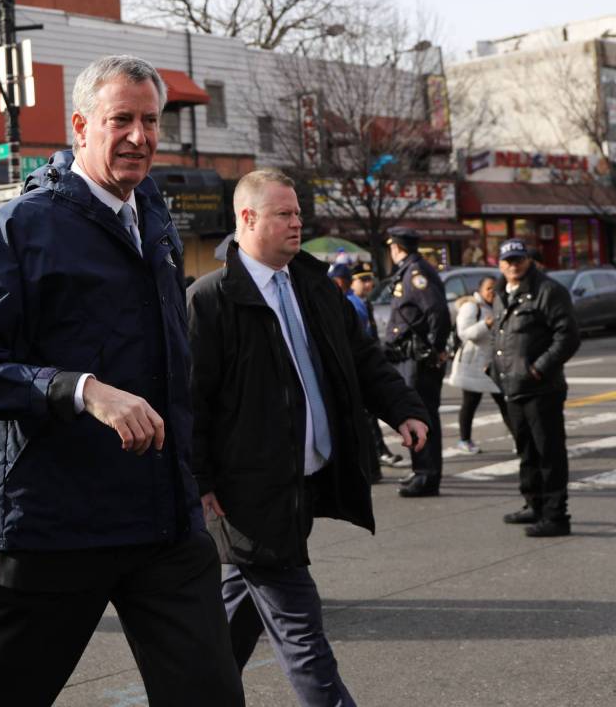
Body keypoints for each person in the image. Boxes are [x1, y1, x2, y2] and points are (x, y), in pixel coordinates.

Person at [0, 55, 244, 707]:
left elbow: (171, 367)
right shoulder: (19, 227)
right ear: (81, 125)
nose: (139, 135)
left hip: (162, 518)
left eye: (150, 120)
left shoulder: (153, 216)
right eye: (121, 119)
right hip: (53, 524)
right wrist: (81, 389)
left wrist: (203, 477)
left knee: (211, 694)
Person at [188, 170, 428, 707]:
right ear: (247, 219)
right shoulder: (211, 300)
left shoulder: (310, 284)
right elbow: (192, 403)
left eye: (298, 213)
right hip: (248, 494)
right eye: (284, 215)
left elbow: (362, 357)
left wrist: (403, 408)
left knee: (238, 609)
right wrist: (199, 481)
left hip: (303, 480)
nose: (297, 224)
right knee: (302, 633)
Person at [490, 238, 581, 538]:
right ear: (500, 264)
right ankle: (534, 504)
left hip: (542, 388)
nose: (513, 265)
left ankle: (556, 515)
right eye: (507, 261)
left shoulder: (548, 290)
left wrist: (539, 368)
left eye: (518, 259)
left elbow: (567, 337)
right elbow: (500, 333)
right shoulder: (502, 291)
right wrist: (493, 369)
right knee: (527, 451)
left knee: (549, 453)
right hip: (512, 386)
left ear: (528, 260)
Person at [380, 227, 450, 497]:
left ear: (396, 247)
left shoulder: (416, 273)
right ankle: (421, 470)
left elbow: (437, 312)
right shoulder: (410, 271)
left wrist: (436, 350)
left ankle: (428, 475)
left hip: (418, 358)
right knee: (415, 413)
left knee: (423, 415)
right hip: (408, 356)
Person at [335, 263, 405, 473]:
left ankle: (375, 459)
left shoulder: (355, 303)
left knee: (366, 417)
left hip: (362, 364)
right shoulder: (352, 302)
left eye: (369, 280)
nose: (369, 285)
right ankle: (376, 456)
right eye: (363, 280)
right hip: (362, 363)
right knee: (366, 417)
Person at [447, 276, 511, 454]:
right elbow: (464, 334)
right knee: (470, 404)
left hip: (493, 363)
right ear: (481, 290)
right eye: (488, 288)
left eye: (495, 289)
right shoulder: (471, 307)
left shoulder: (498, 305)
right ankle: (464, 440)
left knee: (504, 402)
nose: (492, 292)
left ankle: (519, 440)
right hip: (473, 364)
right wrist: (486, 324)